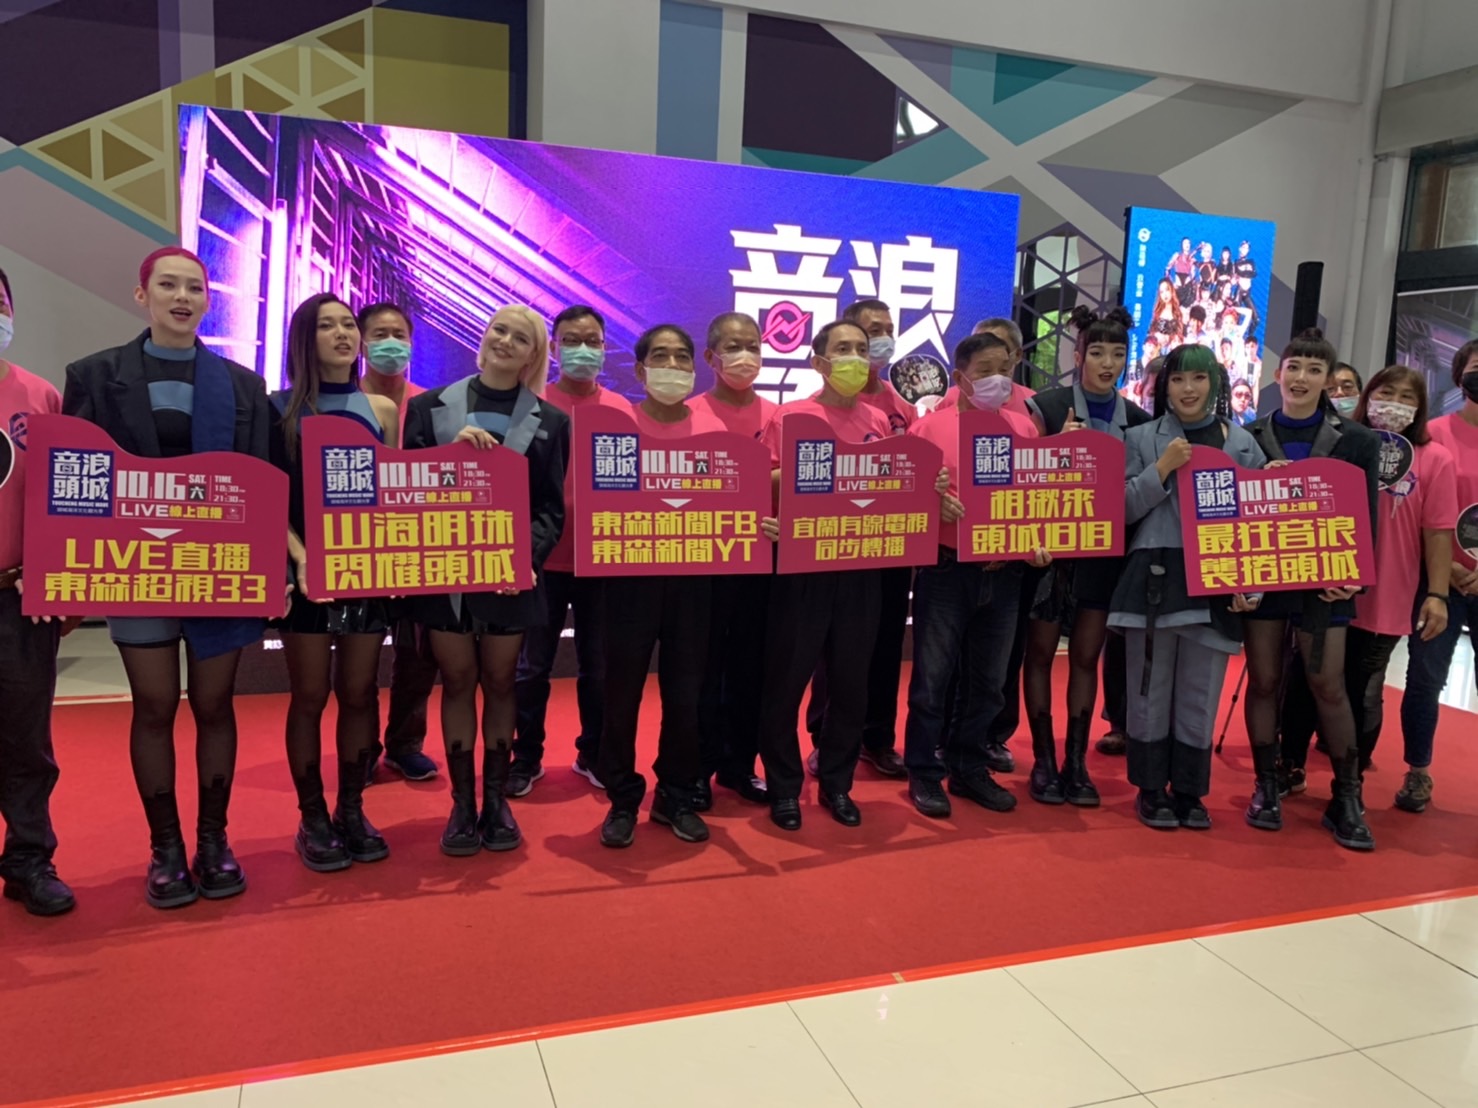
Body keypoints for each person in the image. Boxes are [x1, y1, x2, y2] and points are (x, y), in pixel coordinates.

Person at [63, 247, 271, 908]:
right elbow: (77, 482)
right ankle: (166, 849)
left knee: (215, 705)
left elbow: (262, 484)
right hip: (137, 569)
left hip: (219, 571)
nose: (182, 297)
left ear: (208, 300)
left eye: (194, 288)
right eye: (168, 286)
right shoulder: (95, 376)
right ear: (142, 295)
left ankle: (214, 841)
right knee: (153, 707)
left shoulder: (243, 386)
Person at [402, 305, 570, 857]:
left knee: (500, 683)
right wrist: (449, 455)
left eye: (521, 338)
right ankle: (462, 803)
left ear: (533, 356)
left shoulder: (552, 421)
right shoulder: (428, 408)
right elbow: (407, 491)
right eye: (500, 330)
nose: (505, 341)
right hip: (445, 572)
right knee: (456, 682)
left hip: (510, 578)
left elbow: (550, 509)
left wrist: (525, 560)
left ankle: (496, 801)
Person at [270, 293, 399, 871]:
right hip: (306, 576)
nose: (344, 334)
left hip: (366, 571)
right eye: (328, 326)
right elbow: (270, 499)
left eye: (349, 324)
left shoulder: (382, 409)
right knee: (309, 696)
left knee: (359, 692)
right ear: (306, 338)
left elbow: (394, 493)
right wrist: (300, 558)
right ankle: (312, 817)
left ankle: (352, 808)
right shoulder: (278, 410)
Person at [1112, 345, 1265, 829]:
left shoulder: (1244, 444)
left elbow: (1259, 521)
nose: (1188, 389)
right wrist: (1161, 468)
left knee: (1202, 690)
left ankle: (1190, 792)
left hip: (1217, 580)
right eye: (1177, 379)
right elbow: (1119, 509)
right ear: (1165, 386)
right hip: (1154, 576)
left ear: (1215, 383)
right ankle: (1150, 788)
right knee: (1149, 687)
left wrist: (1252, 585)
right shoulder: (1140, 437)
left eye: (1199, 378)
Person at [1243, 329, 1381, 850]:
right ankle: (1266, 784)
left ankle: (1346, 795)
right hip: (1265, 576)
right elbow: (1231, 514)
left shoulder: (1358, 440)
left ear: (1328, 380)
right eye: (1294, 367)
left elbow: (1366, 517)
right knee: (1264, 681)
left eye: (1314, 370)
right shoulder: (1250, 437)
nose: (1301, 378)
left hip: (1326, 581)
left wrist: (1354, 574)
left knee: (1328, 683)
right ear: (1278, 374)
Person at [903, 331, 1048, 819]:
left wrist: (1040, 543)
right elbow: (904, 504)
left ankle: (968, 766)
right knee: (933, 680)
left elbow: (1034, 499)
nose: (997, 380)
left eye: (1004, 369)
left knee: (989, 682)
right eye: (985, 371)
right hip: (947, 570)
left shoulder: (1023, 428)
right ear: (960, 377)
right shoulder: (928, 429)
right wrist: (932, 502)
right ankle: (924, 771)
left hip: (1005, 574)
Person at [594, 324, 725, 847]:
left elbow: (730, 500)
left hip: (695, 579)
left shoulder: (712, 428)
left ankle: (675, 793)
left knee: (686, 693)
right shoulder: (617, 428)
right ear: (640, 369)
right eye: (661, 356)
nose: (672, 366)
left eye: (681, 357)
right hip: (630, 580)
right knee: (621, 691)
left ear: (694, 367)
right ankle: (622, 797)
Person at [760, 319, 892, 830]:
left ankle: (838, 782)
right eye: (843, 349)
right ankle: (784, 787)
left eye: (861, 348)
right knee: (786, 681)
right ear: (819, 362)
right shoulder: (792, 415)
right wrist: (815, 469)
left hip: (860, 566)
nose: (855, 357)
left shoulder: (876, 420)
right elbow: (764, 480)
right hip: (802, 566)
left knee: (852, 684)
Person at [1022, 306, 1150, 807]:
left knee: (1085, 657)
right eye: (1097, 352)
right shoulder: (1045, 407)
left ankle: (1076, 763)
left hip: (1102, 555)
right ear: (1077, 356)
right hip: (1048, 555)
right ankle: (1042, 760)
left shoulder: (1138, 421)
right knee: (1038, 654)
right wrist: (1056, 448)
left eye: (1117, 354)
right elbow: (1018, 481)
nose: (1107, 363)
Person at [510, 306, 627, 798]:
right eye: (573, 340)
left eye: (593, 341)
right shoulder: (530, 404)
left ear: (604, 348)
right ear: (554, 348)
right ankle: (525, 757)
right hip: (541, 559)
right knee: (532, 666)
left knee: (598, 666)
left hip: (603, 561)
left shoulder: (621, 410)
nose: (584, 349)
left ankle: (592, 752)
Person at [803, 299, 909, 781]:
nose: (878, 343)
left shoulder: (898, 407)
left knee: (884, 645)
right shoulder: (807, 411)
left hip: (887, 546)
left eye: (885, 332)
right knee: (831, 654)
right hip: (828, 547)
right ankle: (823, 738)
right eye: (869, 332)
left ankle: (877, 739)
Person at [1340, 366, 1456, 798]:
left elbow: (1438, 531)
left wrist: (1438, 594)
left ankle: (1350, 781)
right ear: (1369, 396)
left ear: (1420, 408)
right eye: (1387, 392)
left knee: (1366, 686)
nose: (1395, 404)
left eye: (1407, 397)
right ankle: (1294, 762)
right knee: (1321, 680)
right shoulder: (1345, 444)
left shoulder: (1435, 459)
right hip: (1333, 584)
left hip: (1390, 590)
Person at [0, 268, 76, 916]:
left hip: (16, 600)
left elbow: (68, 499)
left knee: (26, 738)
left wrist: (61, 580)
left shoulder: (41, 395)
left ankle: (29, 858)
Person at [691, 311, 775, 807]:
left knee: (752, 669)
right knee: (701, 672)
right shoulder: (690, 413)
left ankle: (740, 765)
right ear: (711, 356)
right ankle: (697, 769)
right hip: (703, 565)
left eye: (753, 346)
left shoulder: (779, 416)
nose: (745, 356)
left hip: (762, 563)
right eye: (733, 346)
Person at [357, 301, 439, 784]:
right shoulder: (344, 402)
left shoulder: (432, 404)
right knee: (360, 656)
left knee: (417, 654)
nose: (391, 343)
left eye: (399, 335)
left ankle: (405, 744)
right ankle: (362, 746)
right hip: (359, 549)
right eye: (380, 334)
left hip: (420, 549)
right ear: (362, 343)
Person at [1399, 340, 1478, 813]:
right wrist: (1446, 569)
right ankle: (1418, 771)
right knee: (1425, 678)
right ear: (1459, 374)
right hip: (1438, 583)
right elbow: (1414, 508)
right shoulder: (1432, 434)